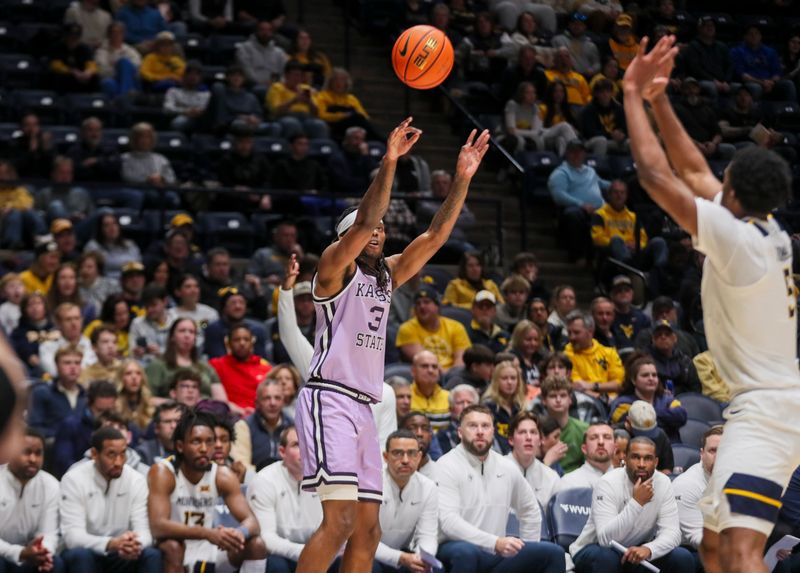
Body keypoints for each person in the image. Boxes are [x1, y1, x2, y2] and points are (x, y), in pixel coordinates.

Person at [626, 34, 800, 564]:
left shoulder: (739, 241)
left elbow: (657, 176)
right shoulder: (764, 226)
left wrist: (632, 95)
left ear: (737, 194)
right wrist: (660, 99)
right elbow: (697, 173)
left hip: (767, 410)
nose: (714, 177)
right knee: (715, 545)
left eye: (726, 178)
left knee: (743, 548)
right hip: (768, 403)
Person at [294, 120, 489, 573]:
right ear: (347, 238)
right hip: (331, 398)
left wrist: (462, 178)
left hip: (365, 407)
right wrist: (391, 161)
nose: (378, 231)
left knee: (368, 530)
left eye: (383, 227)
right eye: (370, 229)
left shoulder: (387, 276)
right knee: (339, 521)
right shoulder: (333, 269)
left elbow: (435, 237)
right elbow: (363, 220)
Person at [435, 405, 565, 573]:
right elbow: (448, 522)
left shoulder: (506, 467)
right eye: (473, 426)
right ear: (460, 432)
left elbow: (530, 510)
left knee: (553, 553)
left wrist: (525, 550)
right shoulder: (446, 466)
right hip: (452, 548)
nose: (480, 431)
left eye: (485, 426)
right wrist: (494, 542)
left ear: (493, 432)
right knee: (465, 552)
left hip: (494, 554)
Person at [147, 411, 267, 572]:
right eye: (196, 442)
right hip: (176, 549)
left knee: (256, 544)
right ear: (180, 446)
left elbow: (252, 522)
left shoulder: (222, 475)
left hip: (211, 548)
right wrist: (206, 533)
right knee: (172, 546)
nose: (204, 449)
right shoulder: (163, 472)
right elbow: (158, 526)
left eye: (209, 441)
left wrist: (239, 533)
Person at [569, 436, 693, 572]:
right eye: (635, 457)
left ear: (656, 462)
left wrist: (649, 549)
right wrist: (637, 503)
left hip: (637, 551)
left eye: (648, 458)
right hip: (594, 548)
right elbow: (606, 539)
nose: (641, 464)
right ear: (625, 459)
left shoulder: (663, 483)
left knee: (682, 557)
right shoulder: (607, 483)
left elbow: (672, 532)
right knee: (607, 558)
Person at [60, 427, 160, 573]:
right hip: (89, 552)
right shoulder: (74, 479)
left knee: (152, 555)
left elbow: (145, 532)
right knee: (80, 555)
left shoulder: (136, 480)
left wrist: (133, 544)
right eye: (111, 454)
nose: (119, 462)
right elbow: (72, 537)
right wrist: (110, 543)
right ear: (94, 454)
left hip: (121, 553)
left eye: (122, 454)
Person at [250, 425, 325, 573]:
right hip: (278, 554)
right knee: (277, 566)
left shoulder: (326, 479)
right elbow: (267, 538)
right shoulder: (264, 480)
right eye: (297, 445)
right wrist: (305, 552)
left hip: (316, 551)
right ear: (282, 452)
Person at [374, 429, 438, 573]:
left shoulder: (428, 487)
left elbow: (427, 535)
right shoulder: (371, 483)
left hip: (402, 554)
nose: (405, 460)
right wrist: (400, 558)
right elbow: (364, 540)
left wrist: (423, 558)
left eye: (411, 453)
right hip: (368, 553)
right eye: (397, 453)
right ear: (385, 457)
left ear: (419, 456)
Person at [0, 427, 63, 573]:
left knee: (54, 563)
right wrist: (19, 553)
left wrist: (42, 552)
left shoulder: (51, 485)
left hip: (31, 556)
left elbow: (49, 533)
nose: (33, 459)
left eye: (38, 453)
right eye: (26, 452)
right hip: (2, 554)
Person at [548, 140, 610, 263]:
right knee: (573, 215)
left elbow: (602, 184)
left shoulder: (590, 171)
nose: (577, 155)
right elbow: (558, 195)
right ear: (567, 154)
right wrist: (581, 204)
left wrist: (618, 186)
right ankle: (577, 255)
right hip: (578, 209)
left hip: (600, 208)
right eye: (573, 152)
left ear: (584, 154)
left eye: (580, 152)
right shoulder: (560, 173)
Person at [609, 353, 687, 442]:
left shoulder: (667, 399)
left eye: (654, 375)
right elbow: (633, 424)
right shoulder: (621, 403)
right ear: (633, 380)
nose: (651, 378)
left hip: (671, 450)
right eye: (645, 375)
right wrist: (667, 417)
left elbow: (681, 416)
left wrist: (643, 416)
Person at [673, 426, 723, 553]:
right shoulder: (687, 485)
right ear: (702, 454)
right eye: (713, 451)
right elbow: (697, 537)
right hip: (689, 550)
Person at [396, 289, 472, 372]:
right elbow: (424, 360)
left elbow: (461, 359)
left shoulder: (456, 327)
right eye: (418, 303)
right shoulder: (407, 329)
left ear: (437, 306)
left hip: (453, 375)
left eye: (427, 302)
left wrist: (453, 376)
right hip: (424, 375)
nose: (422, 306)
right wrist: (446, 376)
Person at [210, 323, 271, 414]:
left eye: (246, 339)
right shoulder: (216, 365)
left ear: (252, 342)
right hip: (228, 416)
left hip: (259, 417)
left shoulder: (265, 368)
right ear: (228, 343)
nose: (242, 343)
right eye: (236, 340)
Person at [563, 311, 624, 400]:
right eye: (569, 333)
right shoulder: (566, 355)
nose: (572, 337)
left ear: (590, 332)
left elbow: (620, 383)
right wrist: (603, 398)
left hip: (613, 400)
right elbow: (578, 387)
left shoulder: (609, 353)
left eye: (576, 333)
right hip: (584, 401)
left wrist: (593, 386)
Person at [730, 25, 796, 102]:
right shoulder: (737, 51)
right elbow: (742, 75)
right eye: (751, 34)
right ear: (745, 37)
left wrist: (772, 82)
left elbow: (777, 72)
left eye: (757, 34)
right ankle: (755, 112)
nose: (754, 36)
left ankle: (793, 110)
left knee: (788, 84)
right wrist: (761, 83)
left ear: (761, 36)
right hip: (751, 82)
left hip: (770, 83)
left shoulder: (770, 51)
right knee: (756, 87)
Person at [507, 412, 560, 507]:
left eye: (533, 432)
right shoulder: (495, 470)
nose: (528, 437)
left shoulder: (551, 477)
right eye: (522, 432)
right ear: (511, 440)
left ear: (540, 440)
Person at [538, 375, 587, 473]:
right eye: (553, 396)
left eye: (563, 395)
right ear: (544, 400)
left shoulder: (584, 429)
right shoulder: (535, 429)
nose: (558, 400)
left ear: (570, 399)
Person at [39, 302, 96, 377]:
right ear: (58, 324)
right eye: (68, 319)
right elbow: (54, 372)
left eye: (77, 318)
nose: (74, 323)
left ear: (82, 321)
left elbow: (94, 370)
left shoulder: (92, 344)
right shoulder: (47, 346)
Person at [481, 361, 527, 454]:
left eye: (513, 378)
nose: (509, 382)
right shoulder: (487, 407)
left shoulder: (522, 407)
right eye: (504, 378)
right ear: (496, 381)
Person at [683, 17, 733, 101]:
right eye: (706, 26)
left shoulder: (721, 46)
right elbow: (695, 69)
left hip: (723, 81)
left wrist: (726, 81)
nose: (710, 28)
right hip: (701, 80)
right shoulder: (693, 46)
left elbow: (729, 65)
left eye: (712, 26)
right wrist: (713, 81)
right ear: (699, 28)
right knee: (711, 87)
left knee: (740, 88)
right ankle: (713, 112)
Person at [648, 320, 701, 396]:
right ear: (653, 339)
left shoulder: (685, 362)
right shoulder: (645, 362)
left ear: (675, 338)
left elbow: (696, 389)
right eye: (659, 334)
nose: (663, 337)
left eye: (667, 334)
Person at [557, 423, 615, 491]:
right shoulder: (569, 483)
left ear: (615, 447)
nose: (601, 442)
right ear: (584, 448)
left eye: (607, 437)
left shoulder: (626, 480)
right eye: (593, 438)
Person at [83, 212, 142, 279]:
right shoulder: (93, 246)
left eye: (114, 223)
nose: (112, 228)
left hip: (131, 282)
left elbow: (138, 265)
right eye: (106, 225)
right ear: (100, 229)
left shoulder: (130, 244)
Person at [129, 284, 176, 363]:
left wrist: (160, 352)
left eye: (153, 305)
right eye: (147, 306)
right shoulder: (137, 324)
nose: (150, 310)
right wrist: (137, 352)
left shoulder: (177, 320)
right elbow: (132, 353)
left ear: (165, 301)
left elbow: (183, 353)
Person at [235, 20, 289, 88]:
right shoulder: (244, 49)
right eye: (262, 30)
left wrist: (278, 83)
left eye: (268, 30)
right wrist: (263, 83)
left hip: (276, 87)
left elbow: (286, 72)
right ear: (256, 31)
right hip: (253, 85)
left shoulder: (279, 52)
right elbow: (246, 72)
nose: (265, 33)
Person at [95, 22, 141, 98]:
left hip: (131, 81)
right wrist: (119, 69)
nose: (116, 35)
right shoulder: (101, 51)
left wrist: (118, 65)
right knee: (108, 83)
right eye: (114, 32)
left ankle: (122, 98)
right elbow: (101, 71)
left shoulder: (130, 50)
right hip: (113, 79)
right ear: (109, 34)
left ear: (123, 34)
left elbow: (137, 67)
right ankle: (124, 98)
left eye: (119, 32)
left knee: (124, 62)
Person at [407, 351, 449, 432]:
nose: (430, 370)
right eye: (424, 366)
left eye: (434, 367)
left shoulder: (449, 397)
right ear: (413, 371)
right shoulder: (404, 397)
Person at [163, 61, 210, 132]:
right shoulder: (173, 91)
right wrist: (185, 111)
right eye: (190, 74)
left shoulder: (206, 94)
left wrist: (199, 112)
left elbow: (208, 109)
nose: (193, 77)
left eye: (197, 74)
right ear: (184, 76)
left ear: (201, 78)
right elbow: (167, 109)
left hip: (202, 119)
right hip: (182, 118)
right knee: (178, 123)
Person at [552, 12, 601, 77]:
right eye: (574, 24)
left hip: (585, 77)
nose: (577, 26)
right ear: (569, 25)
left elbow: (597, 63)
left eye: (580, 24)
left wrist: (592, 70)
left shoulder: (591, 45)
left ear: (585, 27)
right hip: (563, 75)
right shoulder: (558, 40)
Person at [135, 401, 184, 465]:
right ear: (156, 428)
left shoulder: (191, 448)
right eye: (167, 421)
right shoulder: (144, 452)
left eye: (177, 421)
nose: (173, 426)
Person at [436, 383, 480, 455]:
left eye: (470, 402)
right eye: (460, 403)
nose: (465, 406)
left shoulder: (486, 431)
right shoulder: (443, 436)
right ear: (451, 409)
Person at [398, 412, 438, 480]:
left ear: (431, 436)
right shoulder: (389, 472)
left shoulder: (441, 472)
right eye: (412, 428)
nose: (420, 433)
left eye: (425, 429)